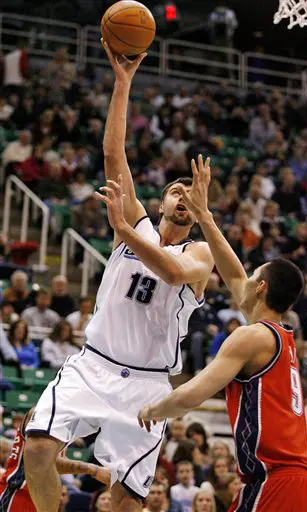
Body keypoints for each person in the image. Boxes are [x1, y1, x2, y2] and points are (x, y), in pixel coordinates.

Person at [24, 44, 213, 512]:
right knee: (38, 447)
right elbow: (113, 152)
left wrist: (124, 230)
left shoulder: (200, 252)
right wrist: (123, 82)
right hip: (93, 365)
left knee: (126, 501)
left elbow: (170, 270)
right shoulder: (139, 223)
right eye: (175, 189)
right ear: (163, 201)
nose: (182, 196)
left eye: (190, 193)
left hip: (147, 387)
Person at [138, 156, 307, 511]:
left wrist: (153, 408)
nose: (246, 277)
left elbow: (193, 394)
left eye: (254, 273)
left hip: (278, 483)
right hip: (303, 485)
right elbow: (235, 276)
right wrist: (205, 216)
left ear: (262, 288)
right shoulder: (279, 336)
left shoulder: (250, 337)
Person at [0, 408, 110, 512]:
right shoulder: (45, 413)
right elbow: (44, 462)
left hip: (38, 496)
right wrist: (94, 470)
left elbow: (54, 462)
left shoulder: (61, 420)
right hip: (20, 493)